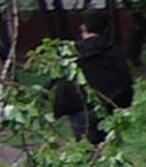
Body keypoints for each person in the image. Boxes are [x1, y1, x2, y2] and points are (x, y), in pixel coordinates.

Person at [52, 12, 134, 145]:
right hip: (108, 106)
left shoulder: (72, 52)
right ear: (106, 29)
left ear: (83, 28)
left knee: (86, 150)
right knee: (107, 150)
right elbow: (125, 79)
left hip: (80, 108)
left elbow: (60, 79)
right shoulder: (114, 51)